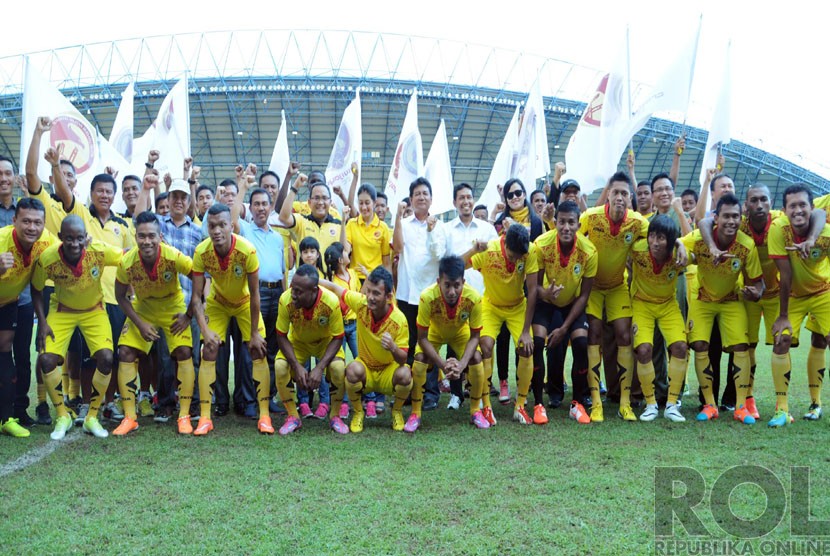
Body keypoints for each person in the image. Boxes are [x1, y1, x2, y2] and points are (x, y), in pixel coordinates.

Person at [32, 215, 123, 439]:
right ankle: (62, 415)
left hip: (94, 310)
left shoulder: (98, 251)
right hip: (62, 311)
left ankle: (91, 417)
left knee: (106, 358)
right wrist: (42, 322)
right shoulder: (48, 258)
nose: (74, 244)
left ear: (86, 238)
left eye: (79, 238)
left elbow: (127, 257)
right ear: (61, 237)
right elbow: (36, 288)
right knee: (46, 359)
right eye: (69, 238)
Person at [189, 203, 271, 435]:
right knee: (209, 350)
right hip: (218, 303)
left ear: (231, 226)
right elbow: (196, 298)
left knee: (258, 349)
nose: (216, 230)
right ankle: (205, 417)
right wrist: (205, 331)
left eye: (222, 225)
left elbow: (256, 294)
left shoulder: (247, 250)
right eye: (212, 226)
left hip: (245, 303)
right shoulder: (201, 252)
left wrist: (254, 333)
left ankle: (264, 415)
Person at [682, 193, 764, 424]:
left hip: (731, 299)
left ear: (741, 218)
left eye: (735, 216)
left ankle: (740, 407)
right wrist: (682, 254)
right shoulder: (699, 237)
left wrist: (756, 292)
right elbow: (679, 243)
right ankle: (710, 404)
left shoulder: (746, 245)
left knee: (741, 347)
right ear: (716, 217)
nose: (731, 221)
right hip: (702, 298)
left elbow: (757, 282)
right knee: (700, 345)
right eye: (726, 216)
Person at [112, 211, 195, 435]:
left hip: (172, 306)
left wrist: (188, 314)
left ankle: (184, 415)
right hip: (144, 308)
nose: (146, 241)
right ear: (135, 236)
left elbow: (198, 274)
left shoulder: (173, 256)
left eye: (151, 236)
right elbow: (120, 296)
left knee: (184, 351)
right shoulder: (127, 262)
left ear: (160, 236)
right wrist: (139, 324)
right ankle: (130, 418)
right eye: (141, 236)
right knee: (125, 352)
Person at [578, 172, 651, 422]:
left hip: (618, 285)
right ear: (608, 194)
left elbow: (658, 235)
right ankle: (596, 402)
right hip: (593, 287)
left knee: (623, 334)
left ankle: (624, 402)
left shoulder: (637, 222)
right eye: (615, 192)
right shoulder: (591, 217)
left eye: (624, 193)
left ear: (629, 198)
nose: (619, 197)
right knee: (594, 333)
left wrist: (681, 246)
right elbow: (571, 235)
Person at [320, 266, 413, 433]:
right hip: (366, 369)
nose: (370, 297)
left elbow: (403, 359)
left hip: (387, 372)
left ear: (389, 297)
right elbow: (335, 288)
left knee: (406, 374)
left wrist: (393, 347)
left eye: (376, 293)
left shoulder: (399, 320)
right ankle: (358, 412)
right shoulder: (361, 303)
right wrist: (313, 281)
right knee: (352, 369)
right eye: (368, 291)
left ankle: (397, 411)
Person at [463, 224, 538, 425]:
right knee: (485, 346)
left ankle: (520, 405)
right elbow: (458, 265)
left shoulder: (529, 252)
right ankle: (486, 405)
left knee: (526, 348)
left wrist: (525, 331)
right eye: (512, 256)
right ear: (504, 242)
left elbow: (532, 291)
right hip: (491, 305)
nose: (515, 260)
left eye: (519, 257)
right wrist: (473, 250)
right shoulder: (489, 250)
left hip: (517, 306)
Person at [769, 185, 830, 427]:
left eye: (802, 205)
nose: (798, 210)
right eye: (792, 206)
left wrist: (812, 240)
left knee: (822, 340)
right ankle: (782, 409)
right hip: (792, 294)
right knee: (781, 339)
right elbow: (785, 275)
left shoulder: (825, 235)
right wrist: (783, 316)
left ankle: (816, 404)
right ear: (784, 210)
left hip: (823, 292)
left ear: (811, 207)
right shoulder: (778, 229)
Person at [532, 201, 595, 424]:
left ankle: (577, 403)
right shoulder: (540, 244)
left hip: (573, 303)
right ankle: (539, 404)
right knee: (537, 342)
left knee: (580, 343)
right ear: (555, 223)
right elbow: (535, 288)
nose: (566, 227)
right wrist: (546, 293)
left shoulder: (589, 251)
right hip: (547, 301)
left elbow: (585, 296)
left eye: (571, 222)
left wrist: (565, 328)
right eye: (561, 222)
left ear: (578, 224)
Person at [410, 256, 487, 431]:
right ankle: (416, 413)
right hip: (435, 333)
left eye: (456, 285)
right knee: (420, 359)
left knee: (476, 358)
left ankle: (475, 411)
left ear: (463, 282)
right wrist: (442, 365)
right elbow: (422, 338)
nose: (452, 291)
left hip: (460, 333)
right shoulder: (426, 297)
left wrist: (461, 365)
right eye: (447, 285)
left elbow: (475, 336)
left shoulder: (474, 297)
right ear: (439, 282)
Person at [0, 198, 55, 438]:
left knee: (10, 351)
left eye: (37, 222)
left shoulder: (46, 241)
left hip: (10, 302)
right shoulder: (1, 239)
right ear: (14, 221)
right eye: (26, 221)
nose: (32, 227)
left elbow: (68, 252)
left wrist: (87, 246)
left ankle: (9, 415)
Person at [273, 264, 348, 435]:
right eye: (292, 288)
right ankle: (293, 416)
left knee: (338, 368)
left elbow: (338, 337)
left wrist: (320, 367)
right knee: (280, 366)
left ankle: (335, 416)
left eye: (298, 291)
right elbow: (281, 336)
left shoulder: (330, 302)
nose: (293, 294)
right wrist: (297, 366)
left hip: (325, 342)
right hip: (298, 342)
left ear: (313, 290)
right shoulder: (286, 300)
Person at [393, 177, 447, 411]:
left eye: (425, 193)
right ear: (411, 198)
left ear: (431, 198)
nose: (421, 197)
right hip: (406, 294)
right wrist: (396, 217)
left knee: (430, 344)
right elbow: (396, 248)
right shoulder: (403, 224)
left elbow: (439, 255)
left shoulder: (439, 226)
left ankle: (431, 392)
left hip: (429, 296)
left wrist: (433, 231)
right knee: (409, 343)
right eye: (417, 194)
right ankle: (409, 390)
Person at [443, 183, 498, 408]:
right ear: (455, 202)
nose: (466, 201)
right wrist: (474, 252)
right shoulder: (446, 230)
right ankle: (456, 393)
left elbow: (496, 258)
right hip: (455, 298)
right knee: (454, 344)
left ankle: (480, 391)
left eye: (469, 197)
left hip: (483, 298)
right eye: (461, 198)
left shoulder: (487, 229)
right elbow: (450, 264)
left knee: (483, 346)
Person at [630, 215, 688, 422]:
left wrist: (681, 244)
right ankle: (651, 404)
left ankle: (672, 405)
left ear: (671, 241)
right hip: (641, 303)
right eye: (652, 236)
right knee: (644, 349)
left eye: (661, 238)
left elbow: (698, 246)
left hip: (667, 305)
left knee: (680, 347)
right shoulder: (637, 248)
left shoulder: (679, 254)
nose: (655, 242)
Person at [492, 178, 544, 405]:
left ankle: (525, 381)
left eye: (518, 193)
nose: (515, 198)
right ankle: (503, 381)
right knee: (502, 337)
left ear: (525, 194)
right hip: (504, 284)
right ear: (505, 199)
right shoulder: (499, 222)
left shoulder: (536, 221)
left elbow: (538, 249)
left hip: (528, 284)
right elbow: (496, 253)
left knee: (525, 337)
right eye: (510, 195)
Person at [324, 242, 360, 419]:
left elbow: (359, 296)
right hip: (340, 326)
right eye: (346, 253)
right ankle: (343, 402)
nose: (349, 254)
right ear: (340, 259)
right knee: (340, 364)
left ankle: (367, 399)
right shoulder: (331, 281)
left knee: (362, 359)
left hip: (355, 325)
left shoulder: (353, 274)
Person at [345, 182, 392, 279]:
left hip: (375, 280)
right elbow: (345, 250)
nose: (363, 207)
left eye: (367, 203)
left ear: (374, 203)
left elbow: (386, 263)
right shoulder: (351, 224)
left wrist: (390, 286)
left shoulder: (383, 228)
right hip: (354, 279)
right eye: (360, 203)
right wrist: (342, 222)